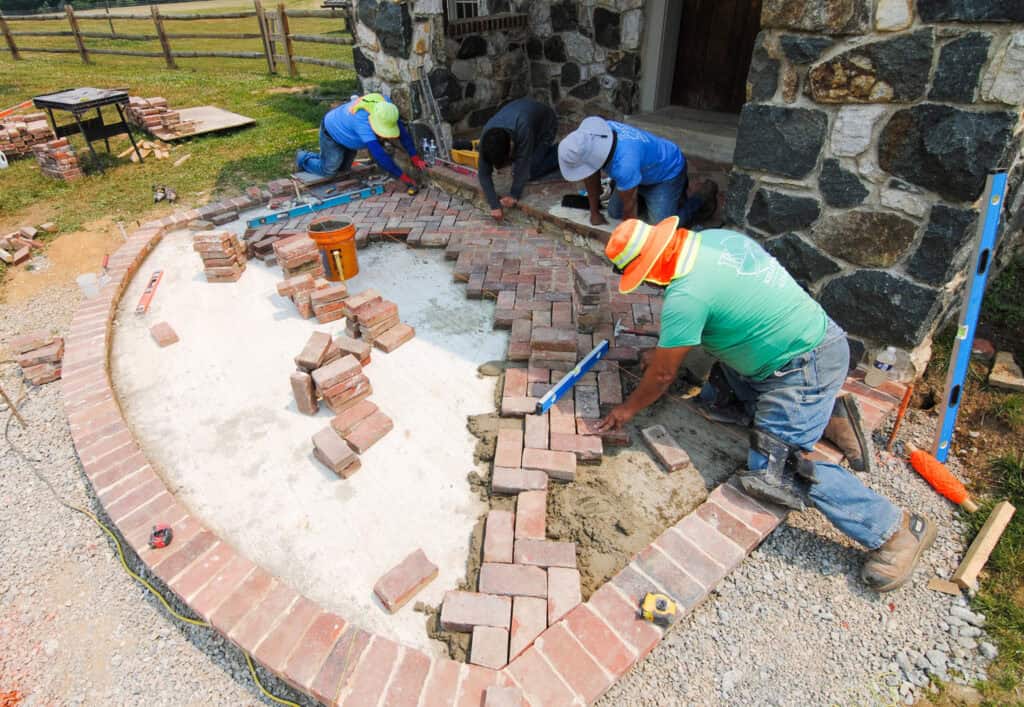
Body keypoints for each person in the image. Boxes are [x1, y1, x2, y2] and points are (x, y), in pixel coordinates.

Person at [595, 216, 935, 592]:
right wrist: (665, 351)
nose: (646, 283)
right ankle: (822, 415)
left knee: (777, 469)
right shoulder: (716, 239)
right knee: (716, 396)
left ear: (653, 265)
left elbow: (661, 377)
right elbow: (732, 305)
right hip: (812, 344)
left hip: (804, 367)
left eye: (642, 275)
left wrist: (627, 409)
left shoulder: (686, 297)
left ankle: (895, 530)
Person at [558, 116, 718, 228]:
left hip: (667, 173)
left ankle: (702, 195)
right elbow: (590, 173)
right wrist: (594, 212)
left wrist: (628, 242)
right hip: (640, 171)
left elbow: (630, 210)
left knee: (660, 228)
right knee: (614, 213)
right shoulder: (593, 135)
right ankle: (645, 196)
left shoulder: (625, 165)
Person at [296, 93, 425, 189]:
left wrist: (414, 156)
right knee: (329, 171)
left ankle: (323, 157)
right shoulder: (361, 121)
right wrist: (402, 177)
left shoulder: (387, 109)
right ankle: (302, 157)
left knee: (343, 170)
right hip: (331, 132)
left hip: (348, 136)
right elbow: (379, 155)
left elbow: (402, 133)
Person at [477, 97, 560, 222]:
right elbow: (483, 174)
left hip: (546, 126)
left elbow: (523, 166)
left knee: (531, 170)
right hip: (525, 117)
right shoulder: (486, 137)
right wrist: (494, 205)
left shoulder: (523, 128)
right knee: (518, 169)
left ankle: (560, 151)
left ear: (510, 145)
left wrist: (514, 194)